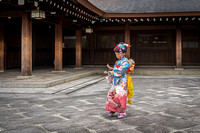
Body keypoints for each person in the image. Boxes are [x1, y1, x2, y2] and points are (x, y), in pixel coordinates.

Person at [105, 42, 131, 118]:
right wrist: (110, 73)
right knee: (111, 94)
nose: (116, 56)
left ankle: (122, 112)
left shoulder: (125, 62)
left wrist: (112, 72)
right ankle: (112, 109)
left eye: (117, 54)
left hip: (121, 82)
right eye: (116, 54)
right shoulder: (119, 61)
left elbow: (120, 71)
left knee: (120, 96)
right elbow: (116, 70)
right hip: (116, 82)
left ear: (122, 54)